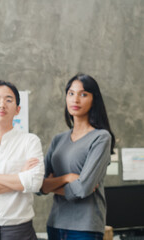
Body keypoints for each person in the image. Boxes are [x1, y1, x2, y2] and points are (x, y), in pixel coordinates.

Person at [40, 73, 115, 240]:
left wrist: (50, 186)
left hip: (85, 228)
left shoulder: (101, 137)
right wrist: (67, 178)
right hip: (55, 224)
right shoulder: (58, 140)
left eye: (83, 94)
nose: (75, 99)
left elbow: (82, 189)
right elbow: (39, 185)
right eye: (71, 93)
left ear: (94, 99)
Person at [0, 80, 44, 240]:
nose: (2, 105)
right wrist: (20, 177)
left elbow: (35, 183)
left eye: (8, 100)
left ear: (18, 109)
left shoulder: (30, 141)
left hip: (21, 231)